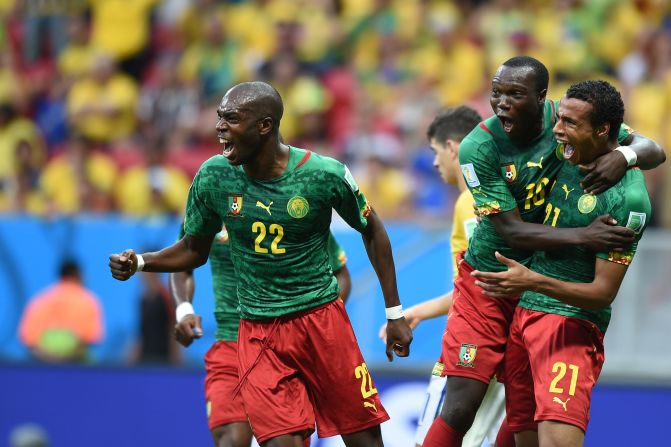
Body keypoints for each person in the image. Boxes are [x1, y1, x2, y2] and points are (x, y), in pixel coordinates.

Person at [109, 81, 413, 447]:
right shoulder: (213, 177)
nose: (219, 127)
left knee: (365, 441)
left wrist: (394, 313)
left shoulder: (323, 175)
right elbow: (193, 250)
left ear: (264, 126)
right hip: (256, 331)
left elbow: (373, 230)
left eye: (232, 119)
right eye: (220, 118)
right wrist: (142, 262)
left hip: (321, 323)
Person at [422, 56, 665, 447]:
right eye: (496, 93)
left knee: (521, 419)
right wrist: (586, 237)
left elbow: (653, 148)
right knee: (463, 404)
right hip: (490, 278)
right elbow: (511, 230)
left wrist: (625, 155)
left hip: (539, 294)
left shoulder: (571, 124)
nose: (501, 103)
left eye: (514, 94)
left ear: (541, 98)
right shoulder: (479, 148)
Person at [471, 80, 652, 447]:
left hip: (569, 328)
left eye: (570, 123)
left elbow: (602, 293)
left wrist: (531, 280)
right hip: (523, 318)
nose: (557, 129)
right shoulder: (564, 152)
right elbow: (651, 149)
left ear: (602, 130)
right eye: (559, 119)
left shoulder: (629, 199)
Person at [379, 106, 511, 447]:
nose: (435, 163)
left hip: (477, 342)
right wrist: (419, 311)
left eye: (436, 152)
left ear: (453, 148)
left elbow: (481, 285)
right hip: (511, 344)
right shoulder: (501, 196)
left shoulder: (471, 203)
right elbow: (476, 285)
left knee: (438, 433)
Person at [170, 224, 351, 447]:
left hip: (284, 347)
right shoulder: (209, 198)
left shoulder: (297, 201)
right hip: (231, 341)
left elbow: (340, 274)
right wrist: (184, 310)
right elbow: (182, 263)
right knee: (232, 438)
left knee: (285, 443)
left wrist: (316, 325)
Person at [19, 259, 104, 363]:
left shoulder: (40, 299)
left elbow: (28, 339)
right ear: (78, 274)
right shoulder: (88, 301)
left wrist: (48, 357)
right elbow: (90, 338)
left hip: (42, 363)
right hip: (75, 366)